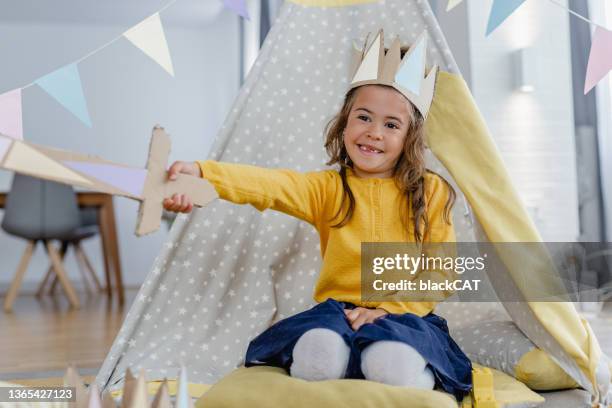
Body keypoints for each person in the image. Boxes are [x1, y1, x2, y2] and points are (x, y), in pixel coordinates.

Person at [163, 31, 472, 400]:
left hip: (405, 316)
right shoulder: (329, 188)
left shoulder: (431, 191)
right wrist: (203, 173)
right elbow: (268, 186)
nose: (374, 133)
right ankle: (346, 364)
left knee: (393, 357)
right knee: (318, 350)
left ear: (410, 137)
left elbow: (441, 272)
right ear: (344, 123)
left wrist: (390, 309)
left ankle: (404, 369)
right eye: (364, 117)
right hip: (338, 314)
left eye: (391, 125)